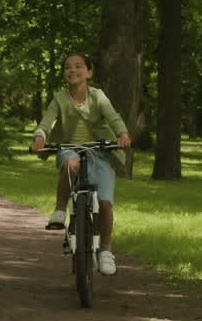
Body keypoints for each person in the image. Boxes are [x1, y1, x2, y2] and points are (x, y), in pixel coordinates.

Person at [29, 52, 131, 276]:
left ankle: (105, 251)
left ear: (89, 72)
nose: (72, 70)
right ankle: (59, 209)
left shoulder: (98, 96)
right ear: (64, 74)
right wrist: (39, 137)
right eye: (68, 67)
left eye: (78, 66)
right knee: (72, 164)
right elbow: (46, 122)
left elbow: (113, 118)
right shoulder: (59, 98)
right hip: (69, 148)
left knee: (104, 202)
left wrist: (122, 134)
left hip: (99, 151)